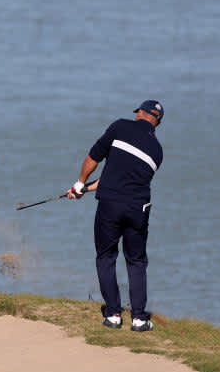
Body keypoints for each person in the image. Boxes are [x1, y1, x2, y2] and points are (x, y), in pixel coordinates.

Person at [67, 100, 164, 332]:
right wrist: (85, 190)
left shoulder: (120, 127)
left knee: (106, 257)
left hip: (110, 205)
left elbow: (94, 157)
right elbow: (120, 178)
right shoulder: (157, 151)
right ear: (157, 122)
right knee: (137, 262)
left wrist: (79, 183)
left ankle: (113, 315)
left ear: (140, 113)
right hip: (138, 208)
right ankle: (139, 319)